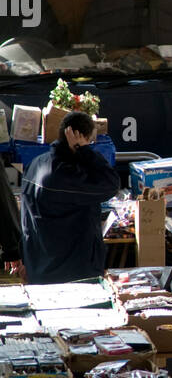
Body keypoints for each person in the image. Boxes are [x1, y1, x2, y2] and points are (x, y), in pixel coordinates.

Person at [20, 112, 121, 283]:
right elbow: (111, 184)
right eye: (90, 142)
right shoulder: (67, 176)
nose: (91, 146)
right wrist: (85, 151)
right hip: (72, 273)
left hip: (39, 267)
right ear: (79, 139)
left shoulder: (36, 163)